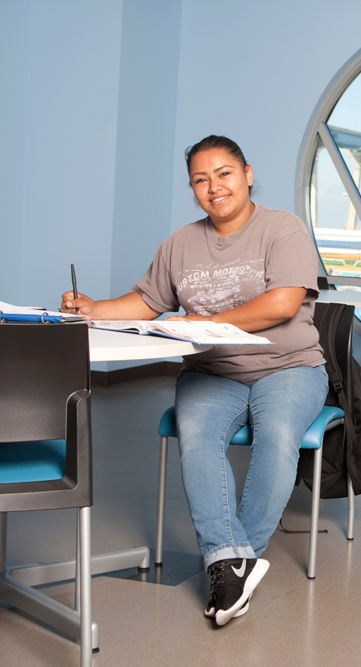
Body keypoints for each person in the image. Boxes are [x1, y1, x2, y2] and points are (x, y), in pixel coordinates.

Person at [61, 135, 328, 627]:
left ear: (247, 173)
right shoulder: (181, 242)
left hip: (289, 366)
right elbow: (148, 302)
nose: (214, 187)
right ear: (193, 189)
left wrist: (201, 320)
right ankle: (232, 564)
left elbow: (283, 303)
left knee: (279, 436)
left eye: (223, 173)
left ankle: (230, 563)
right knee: (198, 440)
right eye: (200, 180)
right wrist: (94, 308)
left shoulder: (283, 229)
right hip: (212, 370)